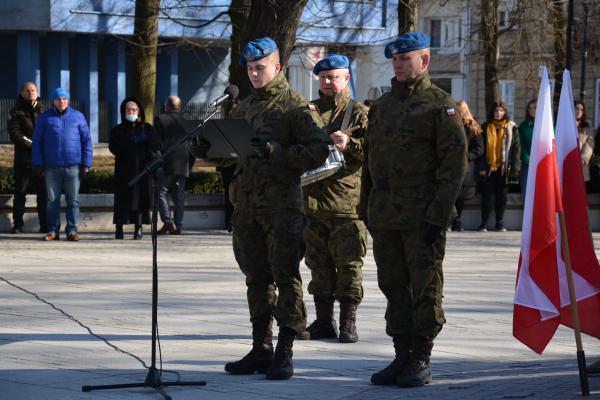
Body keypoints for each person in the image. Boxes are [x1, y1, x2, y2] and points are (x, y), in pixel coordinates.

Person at [360, 32, 467, 387]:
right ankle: (401, 353)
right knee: (393, 285)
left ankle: (421, 357)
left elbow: (453, 166)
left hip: (422, 214)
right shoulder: (384, 105)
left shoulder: (440, 105)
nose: (399, 64)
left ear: (425, 61)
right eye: (395, 59)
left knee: (424, 287)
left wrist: (439, 214)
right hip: (386, 212)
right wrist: (366, 205)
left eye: (407, 58)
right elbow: (370, 160)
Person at [220, 37, 329, 380]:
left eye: (260, 68)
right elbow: (234, 155)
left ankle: (285, 350)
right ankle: (260, 347)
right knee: (256, 278)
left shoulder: (296, 107)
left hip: (282, 208)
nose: (254, 74)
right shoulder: (245, 107)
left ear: (278, 67)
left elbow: (318, 151)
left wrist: (275, 151)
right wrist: (211, 147)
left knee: (285, 277)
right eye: (250, 69)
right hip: (248, 208)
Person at [296, 55, 368, 343]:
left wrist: (351, 144)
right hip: (312, 203)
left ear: (347, 78)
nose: (327, 82)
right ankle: (324, 322)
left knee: (349, 264)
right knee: (318, 264)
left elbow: (373, 152)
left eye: (333, 77)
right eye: (323, 77)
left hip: (346, 204)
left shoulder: (359, 113)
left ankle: (348, 323)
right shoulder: (308, 112)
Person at [32, 88, 92, 241]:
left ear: (68, 100)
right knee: (52, 201)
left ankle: (72, 230)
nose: (61, 101)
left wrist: (86, 163)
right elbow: (37, 142)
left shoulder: (78, 117)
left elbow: (87, 141)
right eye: (58, 99)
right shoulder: (45, 117)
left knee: (73, 200)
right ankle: (53, 230)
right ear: (53, 101)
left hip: (73, 166)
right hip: (51, 167)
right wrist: (38, 163)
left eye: (64, 98)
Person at [109, 98, 154, 239]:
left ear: (139, 111)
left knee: (139, 200)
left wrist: (145, 141)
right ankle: (119, 228)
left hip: (141, 170)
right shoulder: (117, 130)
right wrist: (129, 142)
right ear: (124, 112)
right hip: (123, 171)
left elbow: (156, 145)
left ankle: (138, 228)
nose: (131, 112)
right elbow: (113, 147)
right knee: (122, 200)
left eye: (134, 110)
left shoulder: (146, 128)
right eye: (128, 110)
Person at [7, 82, 46, 234]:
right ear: (22, 93)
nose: (31, 92)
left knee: (43, 196)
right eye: (27, 90)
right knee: (20, 194)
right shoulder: (16, 111)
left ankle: (45, 225)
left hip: (41, 162)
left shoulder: (43, 110)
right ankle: (17, 225)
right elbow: (15, 133)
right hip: (24, 161)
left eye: (33, 90)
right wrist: (34, 145)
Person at [477, 101, 520, 232]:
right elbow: (481, 150)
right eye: (496, 111)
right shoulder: (485, 127)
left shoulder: (511, 127)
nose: (498, 113)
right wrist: (482, 167)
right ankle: (484, 223)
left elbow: (515, 149)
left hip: (504, 168)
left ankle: (499, 223)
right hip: (489, 168)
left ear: (505, 112)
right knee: (487, 196)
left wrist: (514, 168)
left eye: (501, 110)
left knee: (502, 196)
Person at [150, 96, 190, 235]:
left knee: (159, 193)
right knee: (179, 197)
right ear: (180, 107)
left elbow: (156, 144)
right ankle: (178, 226)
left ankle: (168, 222)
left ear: (167, 106)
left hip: (167, 163)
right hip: (183, 163)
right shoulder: (188, 121)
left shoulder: (160, 119)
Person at [450, 100, 483, 231]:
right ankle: (453, 220)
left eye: (461, 109)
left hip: (467, 167)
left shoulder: (473, 127)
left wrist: (466, 156)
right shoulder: (450, 125)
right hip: (451, 165)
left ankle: (456, 220)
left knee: (461, 195)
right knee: (451, 194)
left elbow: (479, 149)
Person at [574, 100, 595, 191]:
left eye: (581, 110)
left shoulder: (586, 127)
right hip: (567, 161)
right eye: (577, 108)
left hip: (581, 164)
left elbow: (589, 145)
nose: (579, 111)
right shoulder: (566, 124)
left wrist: (582, 159)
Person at [518, 100, 536, 198]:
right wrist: (530, 161)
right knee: (527, 195)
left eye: (535, 108)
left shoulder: (548, 126)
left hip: (544, 164)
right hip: (528, 165)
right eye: (530, 108)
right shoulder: (523, 126)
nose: (532, 110)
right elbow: (521, 146)